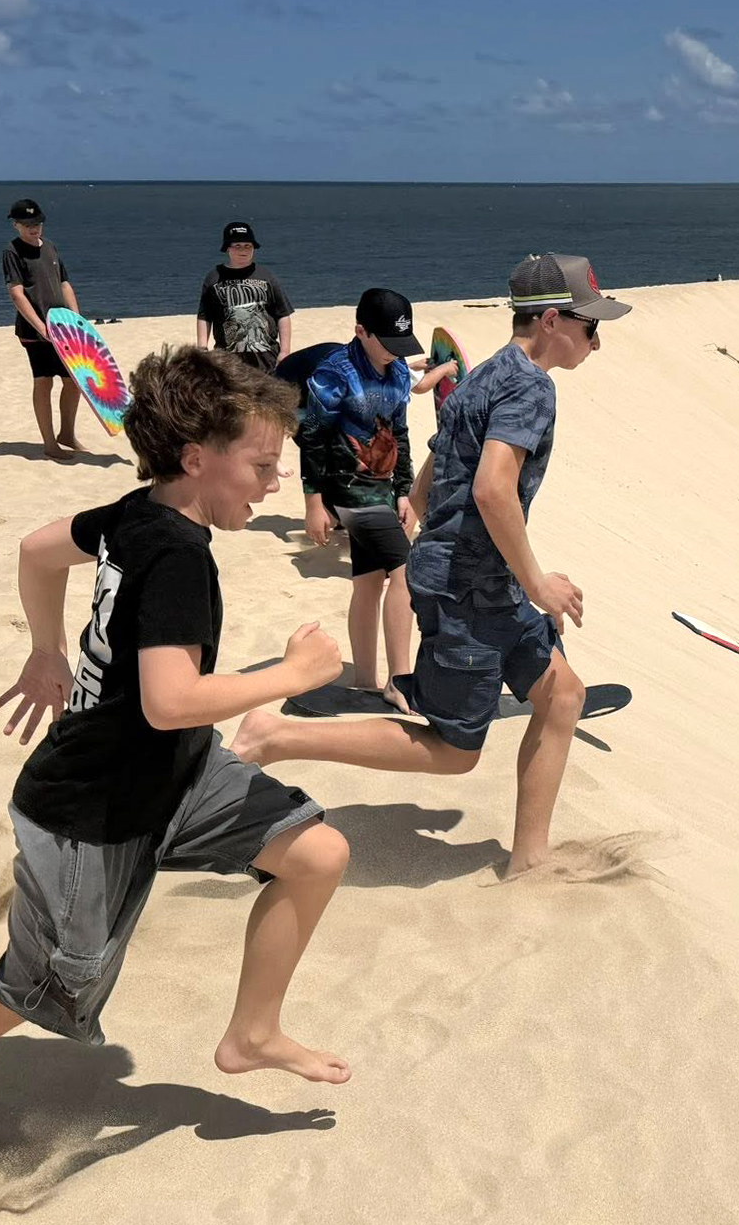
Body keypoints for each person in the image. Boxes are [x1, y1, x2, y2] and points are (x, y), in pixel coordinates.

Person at [0, 346, 353, 1205]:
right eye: (261, 464)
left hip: (175, 778)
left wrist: (47, 648)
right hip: (92, 812)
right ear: (196, 458)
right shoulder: (178, 554)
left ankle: (253, 1032)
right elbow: (170, 698)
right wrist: (291, 678)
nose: (270, 483)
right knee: (32, 991)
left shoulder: (136, 511)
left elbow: (38, 549)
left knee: (315, 850)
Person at [233, 253, 629, 876]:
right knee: (452, 750)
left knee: (563, 697)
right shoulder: (531, 387)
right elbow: (493, 489)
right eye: (590, 326)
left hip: (480, 580)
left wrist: (414, 506)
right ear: (552, 319)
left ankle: (530, 861)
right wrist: (539, 583)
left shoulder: (483, 375)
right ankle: (276, 737)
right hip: (470, 588)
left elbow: (445, 450)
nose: (597, 341)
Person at [275, 289, 456, 712]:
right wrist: (313, 503)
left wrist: (404, 491)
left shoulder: (394, 373)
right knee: (405, 571)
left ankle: (365, 679)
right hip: (343, 487)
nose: (395, 353)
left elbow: (403, 435)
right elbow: (314, 440)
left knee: (370, 581)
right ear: (361, 331)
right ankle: (398, 681)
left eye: (401, 345)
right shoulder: (334, 373)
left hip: (379, 486)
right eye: (388, 344)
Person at [2, 197, 88, 460]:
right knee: (43, 382)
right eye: (27, 224)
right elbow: (16, 294)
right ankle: (49, 442)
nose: (34, 228)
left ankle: (67, 434)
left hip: (63, 328)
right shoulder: (12, 251)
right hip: (34, 331)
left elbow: (64, 284)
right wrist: (41, 328)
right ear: (16, 224)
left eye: (37, 222)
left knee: (74, 382)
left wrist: (78, 320)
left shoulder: (50, 247)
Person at [196, 221, 294, 371]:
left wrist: (285, 351)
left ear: (254, 248)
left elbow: (283, 314)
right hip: (228, 361)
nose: (243, 250)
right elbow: (205, 316)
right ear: (227, 248)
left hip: (266, 359)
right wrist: (202, 347)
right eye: (237, 246)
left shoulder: (266, 276)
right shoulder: (214, 277)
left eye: (248, 245)